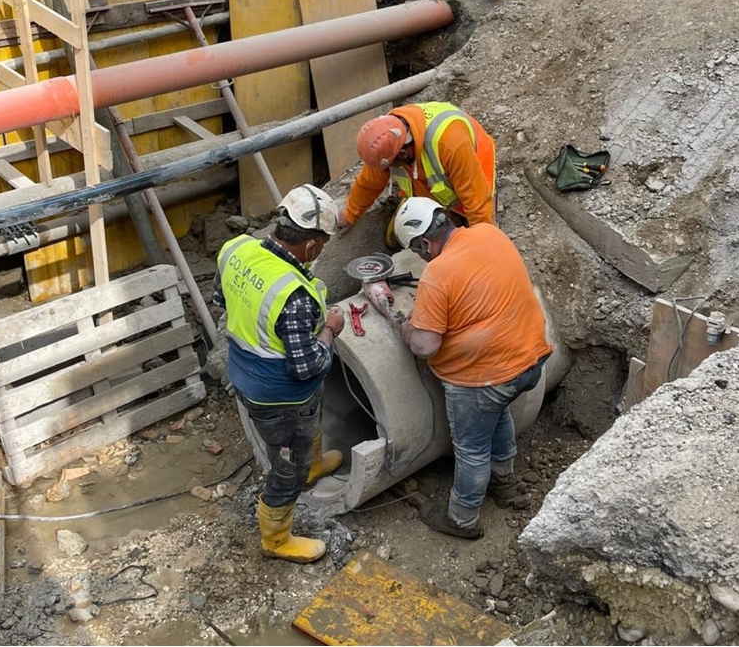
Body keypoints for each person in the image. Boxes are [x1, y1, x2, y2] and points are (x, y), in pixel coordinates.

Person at [393, 197, 553, 540]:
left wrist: (407, 327)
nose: (421, 259)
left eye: (418, 251)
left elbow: (425, 346)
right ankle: (504, 485)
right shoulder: (488, 233)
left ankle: (462, 518)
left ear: (424, 242)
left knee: (471, 449)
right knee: (497, 417)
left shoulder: (438, 272)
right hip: (529, 359)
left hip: (486, 379)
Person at [216, 184, 346, 564]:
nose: (321, 250)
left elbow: (220, 298)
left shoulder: (236, 249)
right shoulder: (294, 296)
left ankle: (312, 466)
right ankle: (275, 540)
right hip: (278, 395)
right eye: (322, 243)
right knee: (287, 468)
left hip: (244, 367)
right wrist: (329, 329)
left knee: (309, 423)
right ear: (309, 246)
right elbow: (306, 366)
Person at [337, 102, 497, 245]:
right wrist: (349, 214)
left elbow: (477, 203)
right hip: (429, 177)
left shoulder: (450, 143)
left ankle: (454, 217)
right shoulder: (386, 138)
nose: (385, 171)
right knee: (399, 239)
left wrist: (480, 244)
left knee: (460, 235)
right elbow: (369, 182)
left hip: (474, 165)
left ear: (403, 154)